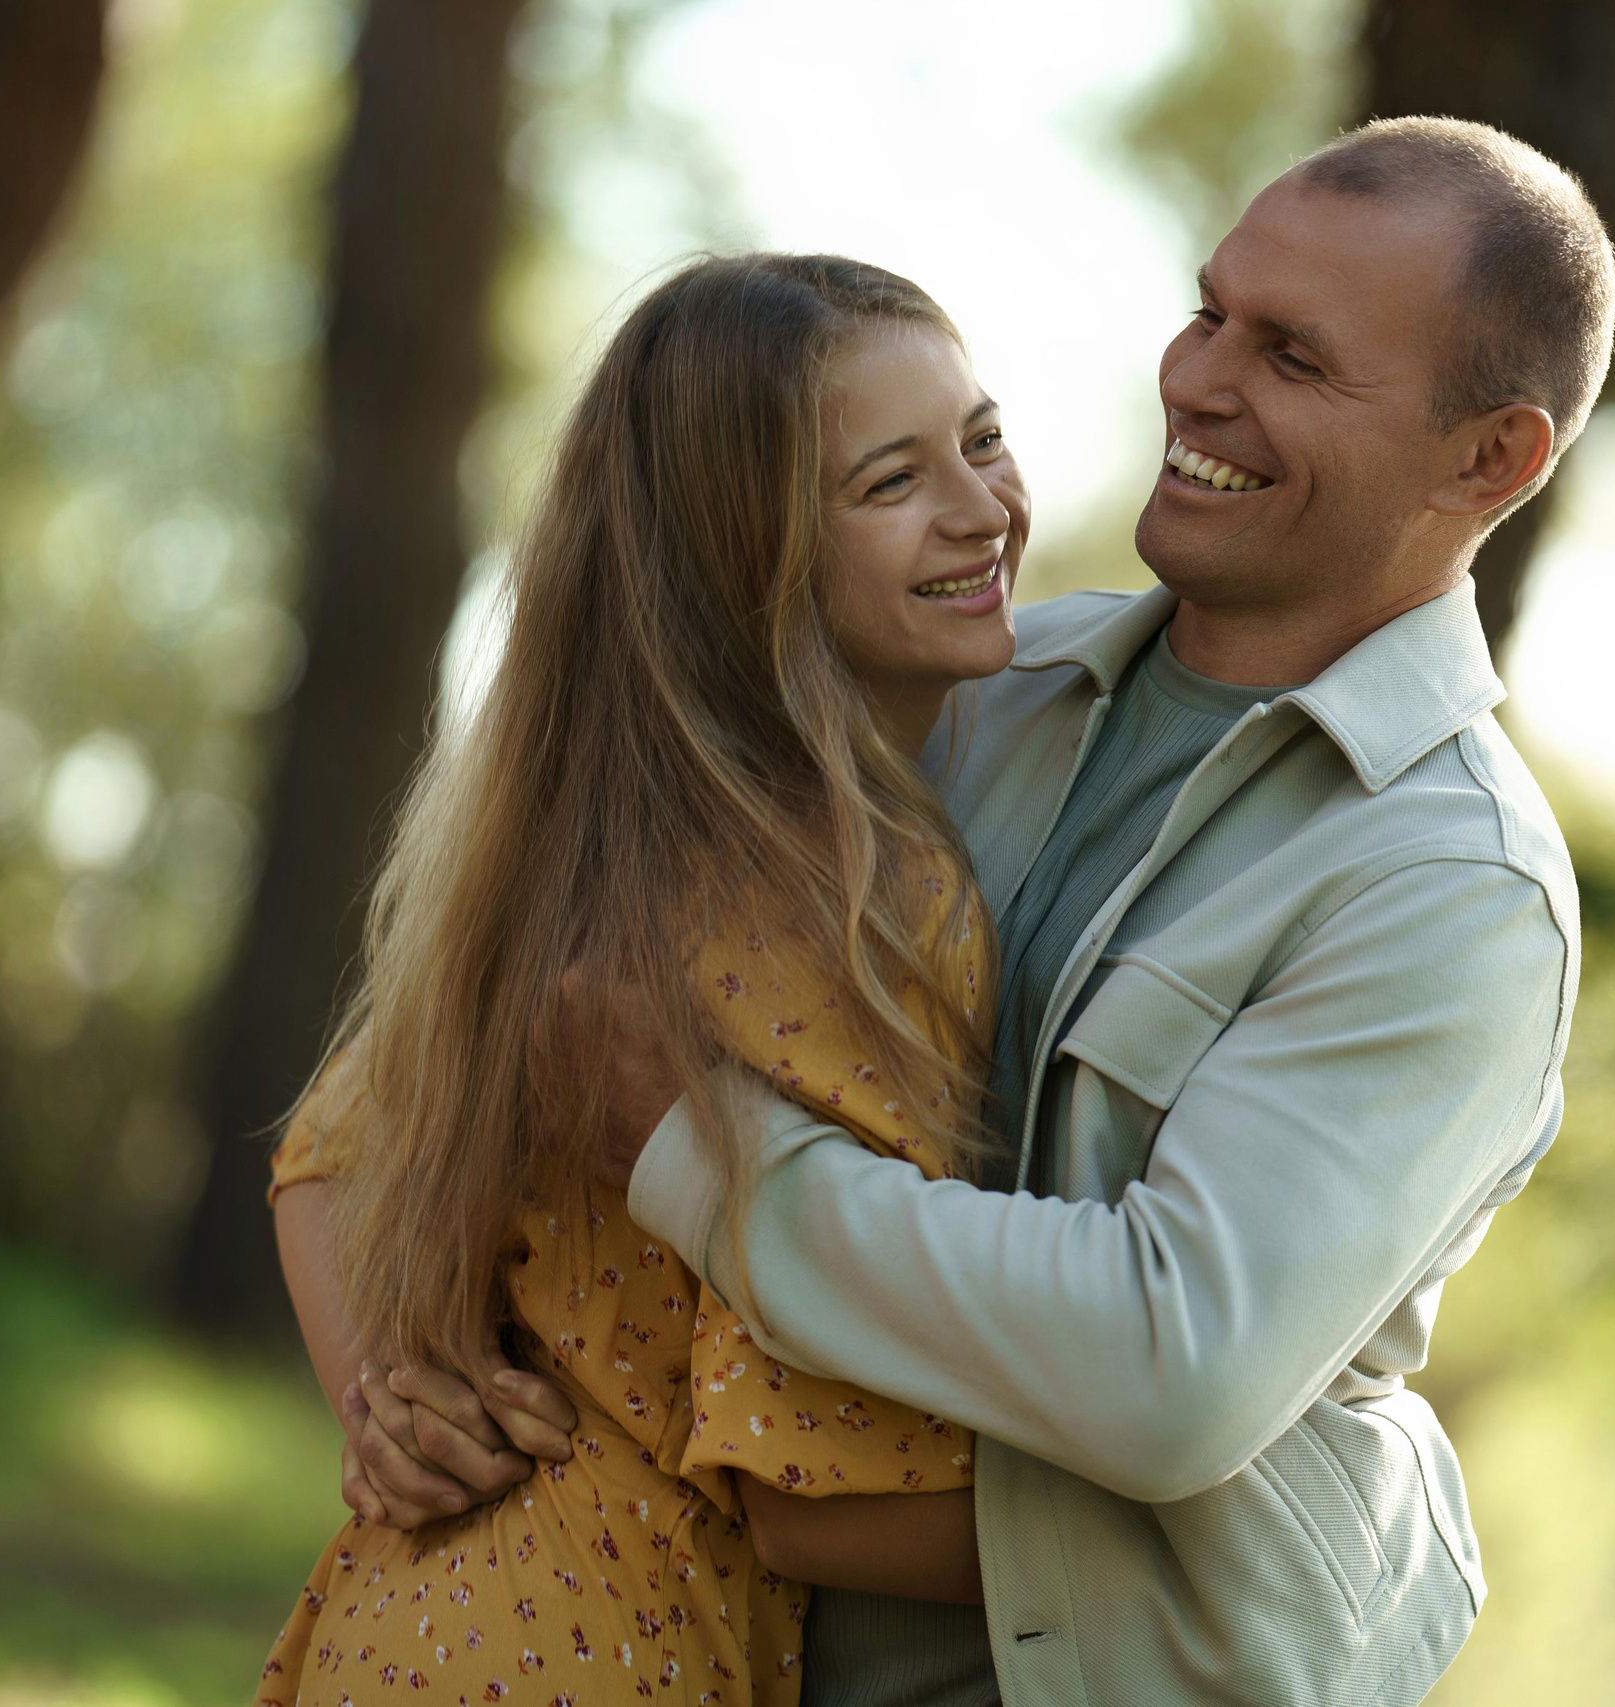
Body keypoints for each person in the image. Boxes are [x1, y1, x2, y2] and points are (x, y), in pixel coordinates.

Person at [342, 114, 1614, 1706]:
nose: (1202, 379)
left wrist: (692, 1148)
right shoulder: (959, 684)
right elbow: (411, 1075)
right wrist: (403, 1360)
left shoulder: (1448, 887)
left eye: (1293, 355)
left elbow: (1170, 1365)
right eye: (1212, 309)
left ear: (1490, 458)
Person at [254, 251, 1034, 1706]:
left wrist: (393, 1395)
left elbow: (324, 1152)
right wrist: (1239, 1513)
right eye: (890, 483)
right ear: (754, 555)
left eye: (983, 439)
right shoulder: (859, 895)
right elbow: (813, 1493)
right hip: (603, 1657)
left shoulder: (588, 841)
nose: (985, 508)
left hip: (409, 1632)